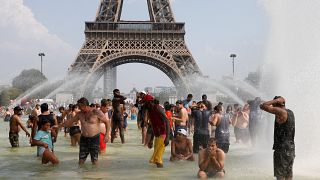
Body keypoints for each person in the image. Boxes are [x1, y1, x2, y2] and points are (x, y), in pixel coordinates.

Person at [63, 97, 110, 165]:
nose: (79, 108)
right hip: (84, 139)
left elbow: (107, 122)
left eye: (80, 106)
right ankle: (82, 174)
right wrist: (58, 126)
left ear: (84, 106)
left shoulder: (95, 112)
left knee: (94, 161)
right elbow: (70, 121)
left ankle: (94, 175)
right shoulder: (80, 114)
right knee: (81, 161)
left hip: (94, 138)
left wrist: (107, 135)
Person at [260, 96, 295, 180]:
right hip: (290, 148)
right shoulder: (290, 112)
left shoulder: (280, 112)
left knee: (280, 176)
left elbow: (263, 106)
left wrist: (276, 100)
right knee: (288, 174)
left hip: (281, 149)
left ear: (276, 104)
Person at [144, 96, 170, 168]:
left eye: (145, 103)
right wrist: (151, 140)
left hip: (162, 134)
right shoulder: (150, 110)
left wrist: (167, 137)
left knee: (158, 159)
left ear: (149, 102)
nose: (144, 105)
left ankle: (160, 176)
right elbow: (153, 125)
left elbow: (167, 121)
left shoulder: (158, 108)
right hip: (157, 135)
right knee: (156, 159)